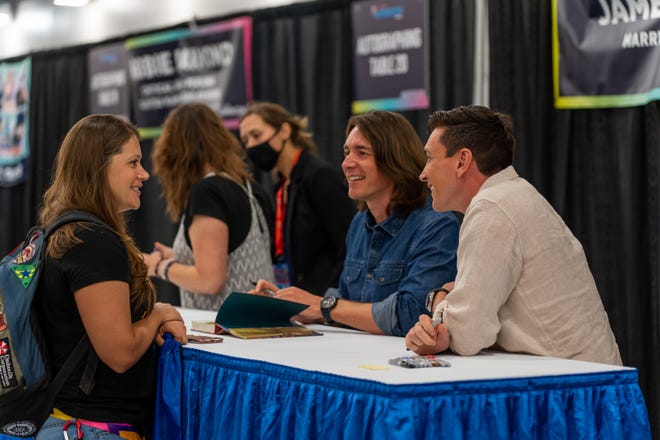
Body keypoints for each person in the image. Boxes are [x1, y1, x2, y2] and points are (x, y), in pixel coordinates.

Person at [405, 105, 622, 365]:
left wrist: (441, 302)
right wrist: (450, 305)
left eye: (430, 158)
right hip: (586, 380)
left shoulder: (492, 207)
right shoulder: (512, 196)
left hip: (573, 388)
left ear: (462, 161)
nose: (423, 173)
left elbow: (468, 334)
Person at [34, 114, 187, 439]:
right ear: (98, 167)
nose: (144, 174)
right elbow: (120, 353)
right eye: (133, 162)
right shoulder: (93, 242)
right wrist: (159, 312)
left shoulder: (69, 232)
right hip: (92, 429)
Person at [253, 110, 459, 337]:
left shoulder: (436, 226)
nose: (346, 163)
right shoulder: (359, 223)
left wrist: (324, 306)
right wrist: (292, 305)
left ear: (394, 160)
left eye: (362, 153)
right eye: (346, 152)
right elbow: (346, 298)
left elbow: (415, 313)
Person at [144, 102, 274, 311]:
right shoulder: (247, 186)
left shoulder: (207, 193)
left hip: (229, 333)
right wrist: (180, 254)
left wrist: (157, 266)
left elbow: (209, 280)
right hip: (261, 321)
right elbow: (231, 252)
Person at [239, 101, 356, 294]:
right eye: (245, 140)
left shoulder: (319, 176)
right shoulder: (283, 184)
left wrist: (325, 298)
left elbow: (348, 246)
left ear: (284, 130)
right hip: (296, 295)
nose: (251, 145)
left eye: (256, 135)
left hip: (324, 299)